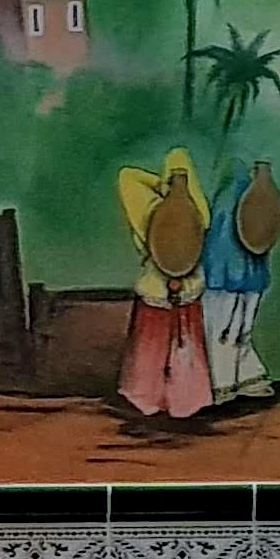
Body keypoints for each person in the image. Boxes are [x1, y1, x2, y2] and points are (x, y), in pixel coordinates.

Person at [115, 149, 213, 420]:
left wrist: (161, 185)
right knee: (187, 345)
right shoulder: (201, 213)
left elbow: (127, 176)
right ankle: (188, 400)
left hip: (156, 289)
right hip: (189, 289)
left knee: (151, 346)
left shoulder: (148, 210)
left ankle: (146, 397)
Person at [202, 157, 280, 402]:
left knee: (221, 331)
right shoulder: (254, 200)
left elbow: (218, 247)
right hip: (250, 278)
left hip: (223, 279)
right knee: (240, 331)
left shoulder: (225, 202)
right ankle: (246, 378)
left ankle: (224, 383)